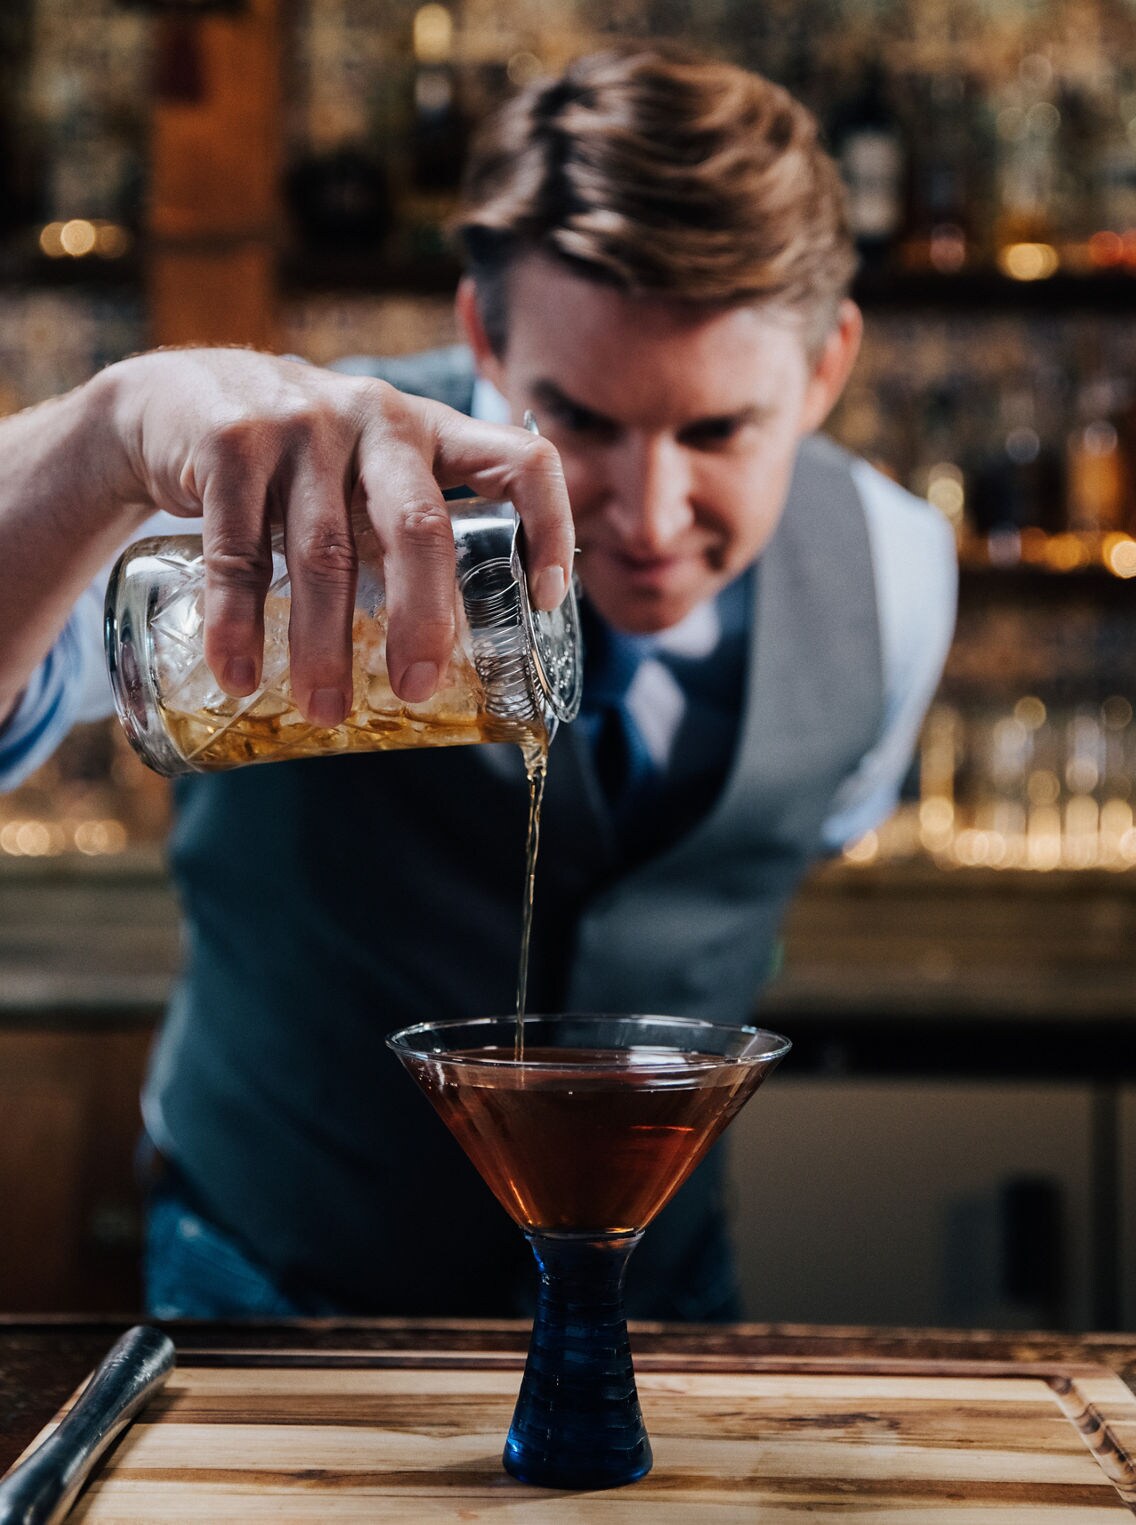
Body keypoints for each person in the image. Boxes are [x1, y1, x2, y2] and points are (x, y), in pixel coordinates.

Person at [0, 46, 956, 1320]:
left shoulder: (898, 570)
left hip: (655, 1299)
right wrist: (107, 436)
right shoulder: (285, 499)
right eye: (581, 424)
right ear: (479, 334)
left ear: (829, 366)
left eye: (718, 431)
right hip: (276, 1274)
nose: (648, 514)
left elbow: (816, 827)